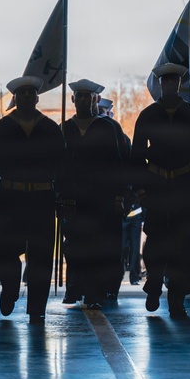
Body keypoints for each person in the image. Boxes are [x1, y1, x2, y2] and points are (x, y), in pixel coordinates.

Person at [0, 75, 64, 323]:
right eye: (22, 92)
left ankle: (37, 308)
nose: (27, 96)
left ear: (37, 98)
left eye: (31, 92)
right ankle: (10, 287)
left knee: (41, 256)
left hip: (42, 199)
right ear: (14, 98)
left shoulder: (50, 128)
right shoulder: (1, 128)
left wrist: (65, 198)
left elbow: (63, 167)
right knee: (5, 250)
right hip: (10, 198)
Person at [129, 62, 190, 318]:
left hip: (184, 185)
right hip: (157, 186)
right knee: (155, 241)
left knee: (182, 245)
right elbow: (137, 155)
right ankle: (154, 283)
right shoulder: (148, 115)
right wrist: (140, 189)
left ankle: (177, 299)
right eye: (166, 81)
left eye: (174, 80)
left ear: (179, 84)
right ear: (160, 84)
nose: (170, 84)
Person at [59, 79, 125, 309]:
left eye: (88, 96)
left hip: (100, 195)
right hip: (73, 197)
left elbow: (117, 164)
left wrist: (119, 196)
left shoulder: (107, 127)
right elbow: (59, 165)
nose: (83, 100)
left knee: (98, 245)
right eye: (79, 96)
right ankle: (75, 287)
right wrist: (61, 196)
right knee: (74, 245)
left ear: (95, 99)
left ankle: (94, 293)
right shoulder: (65, 128)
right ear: (72, 99)